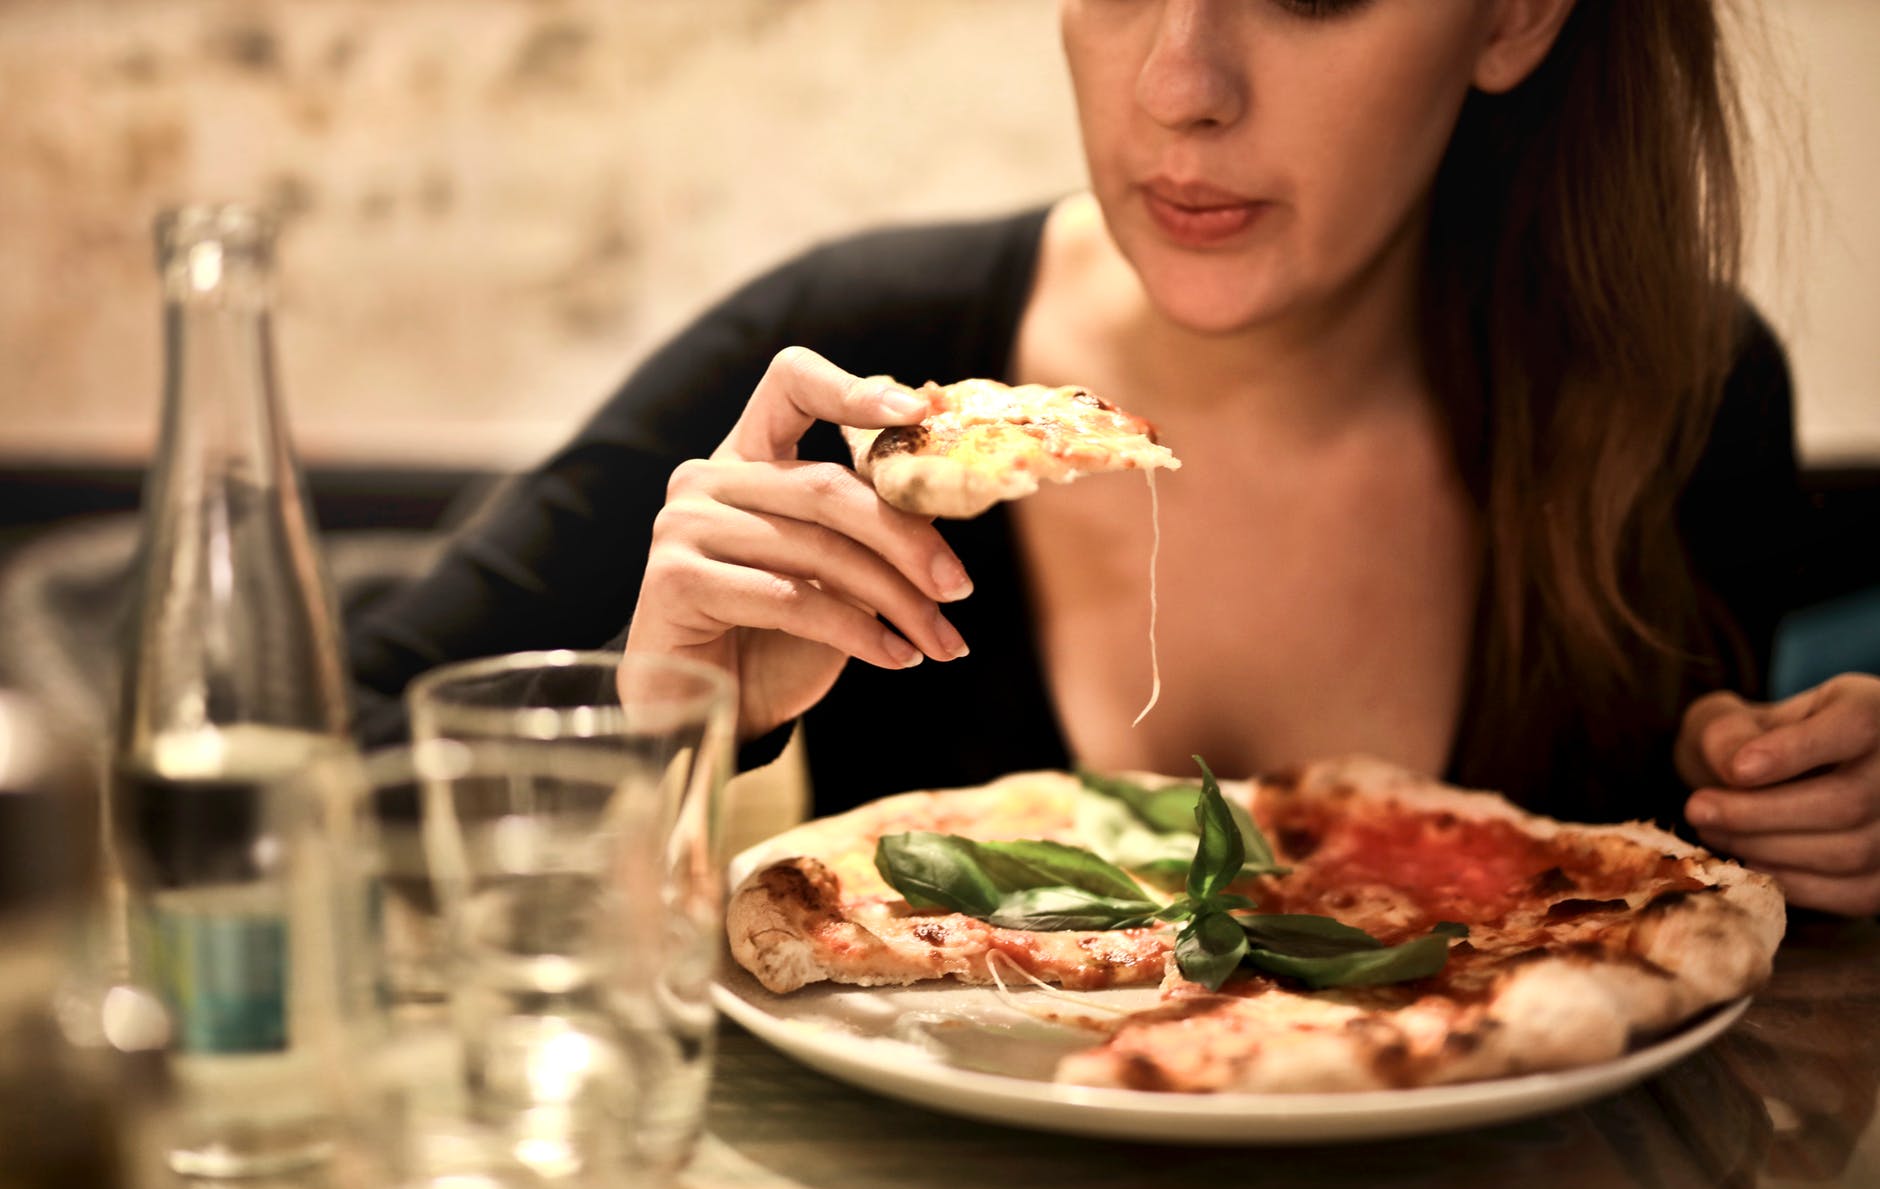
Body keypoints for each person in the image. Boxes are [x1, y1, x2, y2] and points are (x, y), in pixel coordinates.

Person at [350, 0, 1880, 916]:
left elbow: (1689, 938)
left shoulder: (1682, 392)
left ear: (1514, 14)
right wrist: (656, 732)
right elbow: (289, 781)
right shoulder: (848, 363)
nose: (1177, 86)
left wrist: (1805, 807)